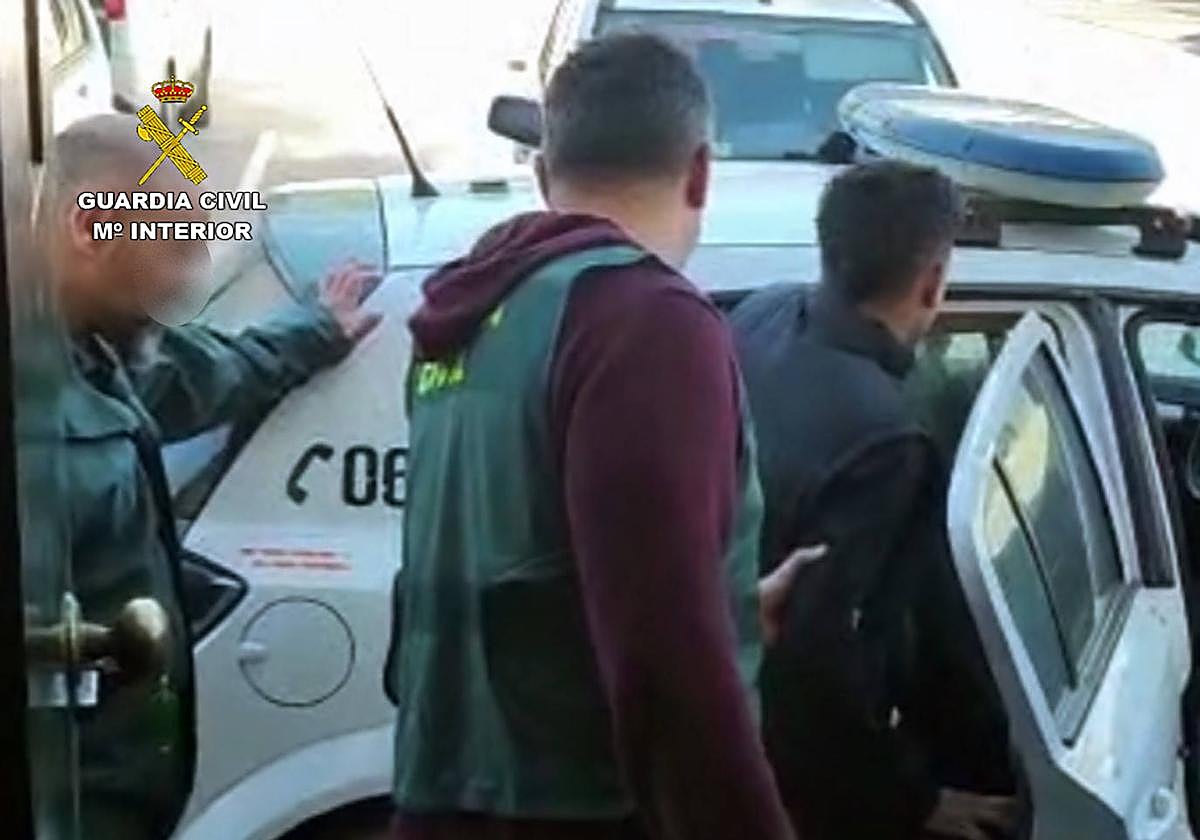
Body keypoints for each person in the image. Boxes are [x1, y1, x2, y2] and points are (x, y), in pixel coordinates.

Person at [387, 33, 797, 840]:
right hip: (581, 811)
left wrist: (733, 607)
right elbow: (664, 656)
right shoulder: (644, 322)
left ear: (544, 176)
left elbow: (546, 565)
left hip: (445, 800)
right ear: (701, 171)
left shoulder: (470, 320)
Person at [42, 114, 379, 839]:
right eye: (175, 249)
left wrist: (314, 333)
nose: (187, 281)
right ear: (91, 230)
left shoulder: (89, 350)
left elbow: (191, 375)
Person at [730, 161, 1018, 840]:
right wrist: (912, 801)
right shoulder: (884, 444)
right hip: (812, 795)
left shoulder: (761, 314)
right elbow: (823, 662)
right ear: (933, 283)